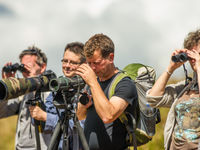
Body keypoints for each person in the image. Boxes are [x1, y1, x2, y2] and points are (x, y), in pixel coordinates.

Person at [76, 33, 138, 150]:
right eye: (89, 63)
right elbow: (79, 116)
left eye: (97, 63)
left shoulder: (124, 84)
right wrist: (84, 105)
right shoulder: (92, 82)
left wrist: (93, 82)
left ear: (111, 58)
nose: (93, 68)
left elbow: (108, 116)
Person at [146, 28, 200, 150]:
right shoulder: (185, 88)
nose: (194, 58)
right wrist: (171, 68)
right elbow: (153, 99)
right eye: (191, 54)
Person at [30, 42, 86, 150]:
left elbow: (79, 127)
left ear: (83, 65)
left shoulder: (88, 90)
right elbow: (44, 126)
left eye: (73, 62)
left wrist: (45, 116)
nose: (67, 66)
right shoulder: (58, 87)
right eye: (65, 61)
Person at [0, 46, 51, 150]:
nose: (25, 71)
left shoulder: (51, 92)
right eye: (23, 67)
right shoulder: (22, 94)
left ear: (42, 67)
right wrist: (8, 90)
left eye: (29, 66)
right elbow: (1, 113)